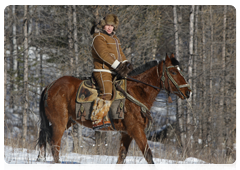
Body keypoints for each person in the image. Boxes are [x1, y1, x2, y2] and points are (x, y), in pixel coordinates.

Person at [90, 14, 133, 130]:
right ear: (103, 26)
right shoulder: (98, 37)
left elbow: (120, 54)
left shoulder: (115, 38)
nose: (110, 28)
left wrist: (126, 63)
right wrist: (118, 65)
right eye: (108, 25)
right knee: (107, 92)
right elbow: (103, 54)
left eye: (112, 26)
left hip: (115, 71)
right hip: (102, 70)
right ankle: (98, 119)